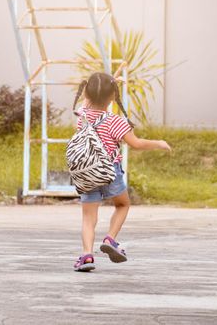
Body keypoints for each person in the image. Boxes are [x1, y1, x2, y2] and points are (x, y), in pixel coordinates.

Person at [72, 72, 171, 272]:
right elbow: (137, 144)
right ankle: (110, 238)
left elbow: (87, 98)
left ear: (87, 93)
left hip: (87, 172)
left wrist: (107, 83)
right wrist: (159, 143)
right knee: (123, 204)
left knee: (88, 217)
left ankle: (87, 256)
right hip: (110, 171)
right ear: (112, 97)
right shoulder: (115, 121)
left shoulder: (82, 115)